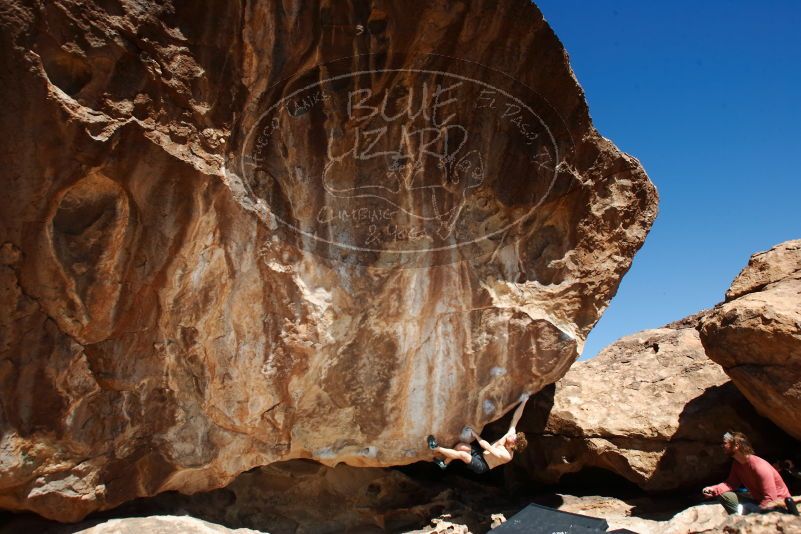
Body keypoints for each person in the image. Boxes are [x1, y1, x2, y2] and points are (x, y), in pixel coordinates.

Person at [426, 393, 530, 474]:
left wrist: (475, 434)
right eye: (514, 435)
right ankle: (444, 463)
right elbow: (516, 418)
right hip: (481, 453)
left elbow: (488, 446)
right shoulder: (510, 436)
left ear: (513, 445)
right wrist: (525, 400)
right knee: (460, 446)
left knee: (462, 454)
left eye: (513, 438)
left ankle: (435, 447)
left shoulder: (507, 456)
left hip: (482, 465)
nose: (512, 435)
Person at [702, 431, 791, 515]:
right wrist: (714, 489)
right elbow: (731, 484)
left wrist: (753, 515)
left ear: (736, 445)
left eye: (725, 443)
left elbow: (771, 499)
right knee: (726, 496)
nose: (722, 446)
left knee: (746, 508)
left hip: (779, 507)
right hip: (760, 503)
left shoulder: (760, 467)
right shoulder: (737, 464)